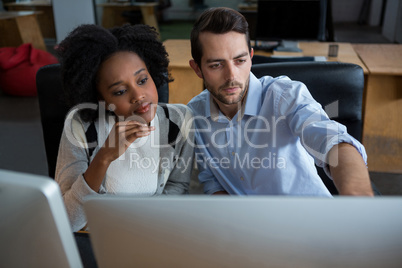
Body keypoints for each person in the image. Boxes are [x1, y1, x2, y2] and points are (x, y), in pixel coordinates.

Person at [187, 7, 373, 196]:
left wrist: (359, 206)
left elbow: (334, 143)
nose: (231, 76)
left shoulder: (285, 95)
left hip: (309, 219)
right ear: (197, 69)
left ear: (251, 57)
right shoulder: (195, 113)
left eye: (240, 61)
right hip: (245, 223)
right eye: (216, 65)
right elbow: (213, 182)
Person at [55, 24, 194, 232]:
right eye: (120, 91)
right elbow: (68, 222)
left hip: (154, 232)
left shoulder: (179, 120)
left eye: (142, 80)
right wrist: (104, 157)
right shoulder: (80, 126)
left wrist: (145, 228)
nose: (138, 95)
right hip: (99, 238)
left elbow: (177, 187)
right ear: (100, 97)